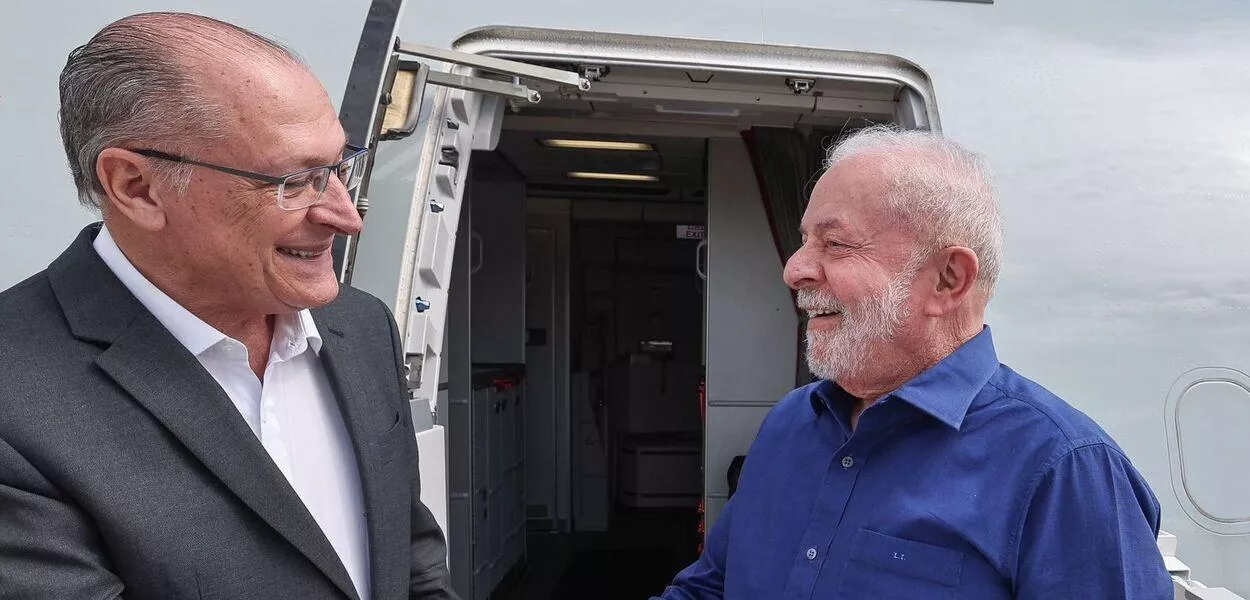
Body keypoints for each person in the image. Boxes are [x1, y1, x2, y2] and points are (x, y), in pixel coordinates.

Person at [0, 12, 458, 600]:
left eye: (339, 166)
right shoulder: (16, 399)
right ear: (136, 187)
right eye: (294, 180)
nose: (346, 216)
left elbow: (411, 559)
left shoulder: (361, 326)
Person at [652, 126, 1173, 599]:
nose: (795, 270)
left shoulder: (1065, 470)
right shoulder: (790, 423)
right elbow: (711, 590)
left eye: (835, 244)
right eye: (804, 241)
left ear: (949, 279)